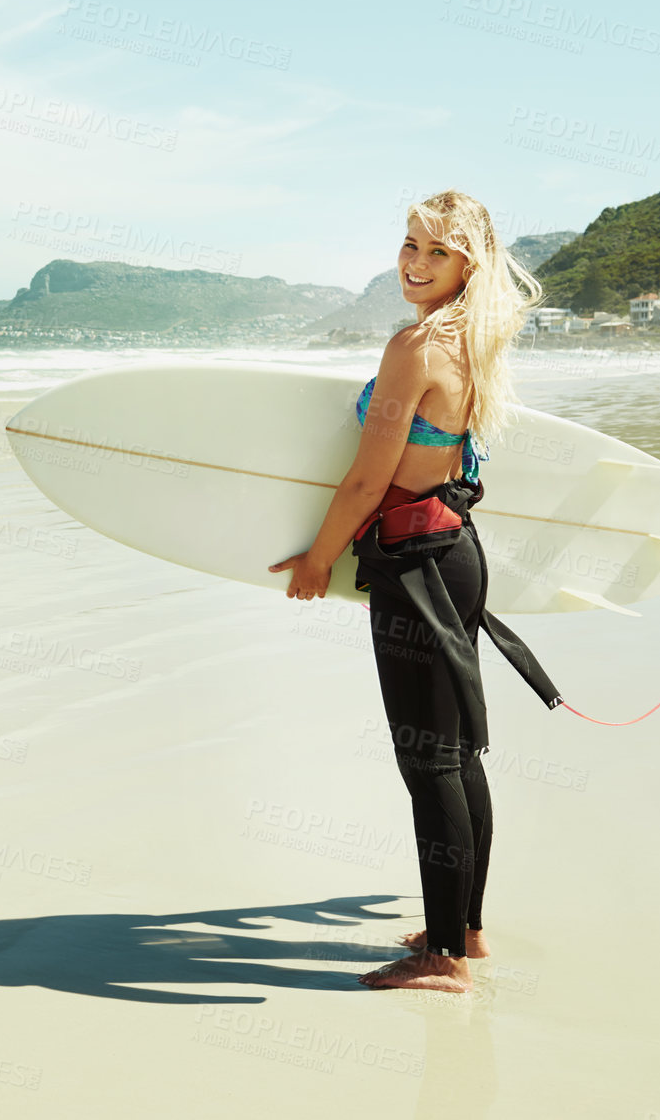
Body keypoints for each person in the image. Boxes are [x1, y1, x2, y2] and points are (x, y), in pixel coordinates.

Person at [269, 190, 545, 993]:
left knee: (427, 762)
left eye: (435, 251)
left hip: (412, 562)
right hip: (453, 552)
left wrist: (319, 558)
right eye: (408, 244)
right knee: (456, 752)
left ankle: (442, 959)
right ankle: (467, 929)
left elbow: (366, 477)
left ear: (468, 264)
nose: (412, 263)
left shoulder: (415, 346)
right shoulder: (476, 341)